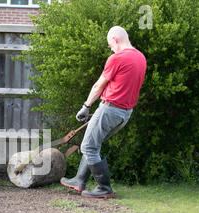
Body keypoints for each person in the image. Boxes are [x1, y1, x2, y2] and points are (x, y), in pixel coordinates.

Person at [61, 26, 147, 198]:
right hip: (125, 112)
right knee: (94, 144)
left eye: (110, 45)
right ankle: (79, 180)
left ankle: (104, 188)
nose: (111, 48)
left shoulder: (117, 58)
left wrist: (86, 107)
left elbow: (98, 85)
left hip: (110, 109)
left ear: (115, 40)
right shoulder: (140, 57)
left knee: (88, 146)